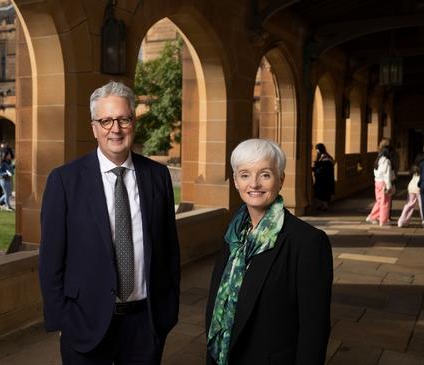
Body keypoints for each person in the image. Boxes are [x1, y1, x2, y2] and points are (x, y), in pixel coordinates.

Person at [39, 81, 180, 364]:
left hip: (145, 324)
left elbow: (169, 251)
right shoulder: (65, 181)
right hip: (85, 323)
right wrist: (64, 321)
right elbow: (51, 260)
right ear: (94, 127)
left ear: (133, 123)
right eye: (106, 120)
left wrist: (166, 314)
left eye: (123, 119)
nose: (115, 129)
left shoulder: (158, 177)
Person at [205, 138, 332, 365]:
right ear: (235, 181)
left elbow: (314, 331)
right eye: (244, 175)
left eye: (265, 174)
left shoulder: (308, 242)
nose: (254, 184)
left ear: (280, 179)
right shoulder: (233, 234)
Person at [366, 147, 393, 226]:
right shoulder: (387, 161)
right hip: (383, 183)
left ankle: (372, 216)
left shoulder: (378, 160)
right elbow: (387, 175)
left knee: (379, 201)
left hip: (377, 182)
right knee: (385, 202)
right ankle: (383, 220)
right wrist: (389, 186)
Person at [398, 159, 424, 228]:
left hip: (411, 186)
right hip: (418, 187)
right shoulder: (422, 166)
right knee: (422, 205)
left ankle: (402, 221)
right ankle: (423, 220)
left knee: (409, 204)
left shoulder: (414, 167)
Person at [312, 143, 335, 211]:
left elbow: (325, 167)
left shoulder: (326, 158)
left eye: (318, 149)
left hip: (325, 179)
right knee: (321, 192)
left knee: (324, 192)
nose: (317, 151)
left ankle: (325, 206)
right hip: (321, 178)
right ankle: (322, 205)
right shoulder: (322, 157)